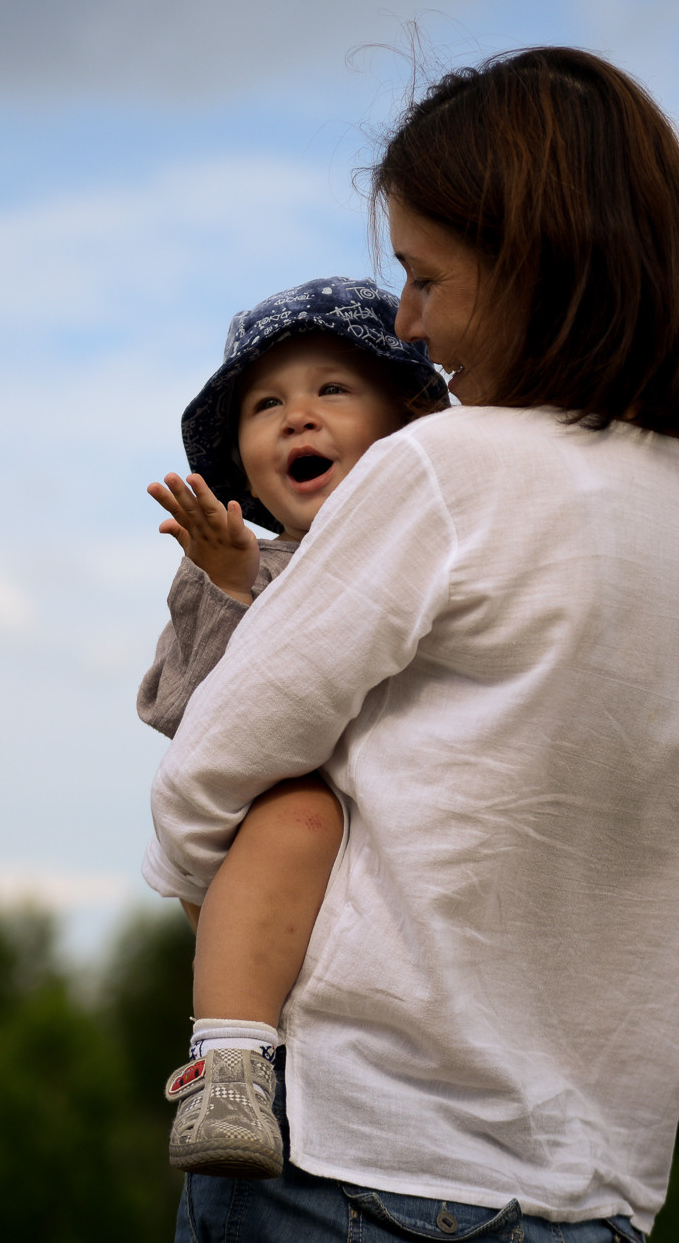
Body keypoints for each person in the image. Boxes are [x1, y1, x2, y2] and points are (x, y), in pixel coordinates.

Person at [144, 46, 679, 1240]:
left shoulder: (444, 469)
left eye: (422, 274)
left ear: (530, 262)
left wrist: (245, 929)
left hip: (349, 1158)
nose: (407, 320)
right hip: (588, 1189)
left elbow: (207, 778)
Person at [136, 276, 447, 1177]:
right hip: (262, 863)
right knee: (297, 812)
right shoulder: (240, 566)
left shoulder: (439, 551)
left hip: (389, 885)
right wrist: (238, 589)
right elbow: (202, 724)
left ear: (408, 422)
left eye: (332, 390)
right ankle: (230, 1065)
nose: (297, 418)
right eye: (267, 404)